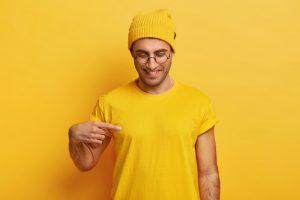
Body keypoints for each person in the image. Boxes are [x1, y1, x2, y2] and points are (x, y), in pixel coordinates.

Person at [68, 9, 220, 200]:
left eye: (160, 54)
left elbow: (208, 174)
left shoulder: (198, 102)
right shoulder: (110, 102)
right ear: (132, 53)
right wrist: (74, 139)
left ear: (172, 52)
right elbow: (85, 163)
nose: (152, 63)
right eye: (142, 54)